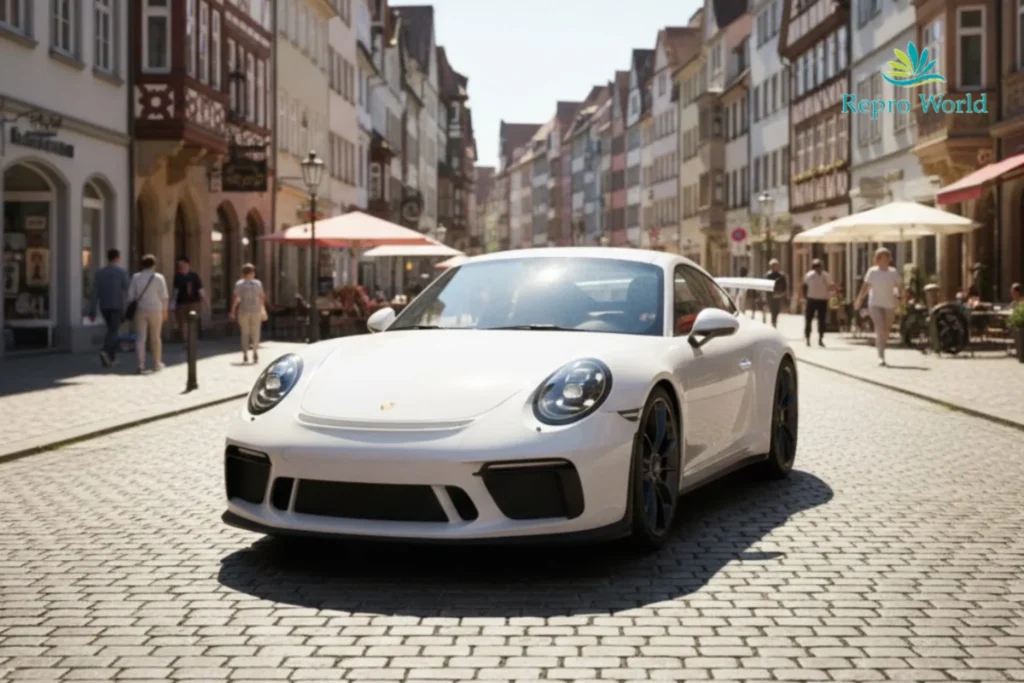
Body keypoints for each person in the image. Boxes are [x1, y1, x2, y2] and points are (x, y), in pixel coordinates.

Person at [854, 247, 904, 366]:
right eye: (882, 258)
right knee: (880, 328)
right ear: (878, 259)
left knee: (886, 331)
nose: (885, 260)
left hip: (890, 304)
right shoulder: (872, 271)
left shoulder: (893, 272)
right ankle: (880, 356)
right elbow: (866, 287)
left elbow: (899, 286)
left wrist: (899, 295)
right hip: (875, 304)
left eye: (887, 257)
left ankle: (882, 348)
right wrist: (859, 299)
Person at [87, 248, 130, 367]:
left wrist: (92, 310)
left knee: (111, 330)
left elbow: (94, 292)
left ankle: (111, 359)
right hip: (117, 305)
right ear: (117, 258)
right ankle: (105, 351)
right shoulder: (121, 272)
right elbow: (127, 288)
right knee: (114, 331)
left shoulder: (100, 273)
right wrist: (128, 305)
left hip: (104, 306)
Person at [128, 254, 169, 374]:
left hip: (141, 309)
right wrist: (165, 311)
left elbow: (131, 296)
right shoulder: (159, 278)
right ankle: (157, 363)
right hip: (156, 309)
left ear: (142, 264)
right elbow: (164, 297)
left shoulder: (136, 277)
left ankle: (140, 365)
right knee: (156, 337)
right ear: (154, 265)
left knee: (141, 337)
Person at [229, 263, 266, 364]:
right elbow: (262, 297)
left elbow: (236, 298)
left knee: (244, 333)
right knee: (256, 332)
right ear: (252, 272)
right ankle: (255, 351)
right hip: (256, 311)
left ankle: (245, 354)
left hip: (243, 311)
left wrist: (232, 310)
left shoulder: (239, 284)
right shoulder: (258, 283)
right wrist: (263, 309)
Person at [801, 258, 834, 347]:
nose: (818, 268)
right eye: (816, 267)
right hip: (811, 299)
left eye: (820, 267)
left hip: (822, 299)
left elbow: (830, 285)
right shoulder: (809, 275)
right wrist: (804, 297)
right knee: (808, 319)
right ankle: (808, 337)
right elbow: (804, 286)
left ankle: (820, 338)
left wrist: (832, 294)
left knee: (822, 320)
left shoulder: (826, 275)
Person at [171, 256, 205, 341]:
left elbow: (200, 289)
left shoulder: (194, 275)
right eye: (179, 265)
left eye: (182, 264)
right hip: (182, 302)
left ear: (187, 264)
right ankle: (186, 340)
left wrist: (204, 300)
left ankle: (192, 339)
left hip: (194, 302)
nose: (180, 266)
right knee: (183, 322)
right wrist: (172, 303)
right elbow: (175, 291)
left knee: (193, 321)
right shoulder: (178, 276)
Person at [763, 258, 788, 328]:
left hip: (778, 295)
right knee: (773, 310)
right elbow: (765, 286)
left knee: (777, 310)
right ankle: (773, 323)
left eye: (777, 265)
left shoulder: (780, 275)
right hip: (771, 296)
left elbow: (784, 285)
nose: (776, 267)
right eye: (774, 265)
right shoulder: (768, 275)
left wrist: (783, 293)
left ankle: (774, 322)